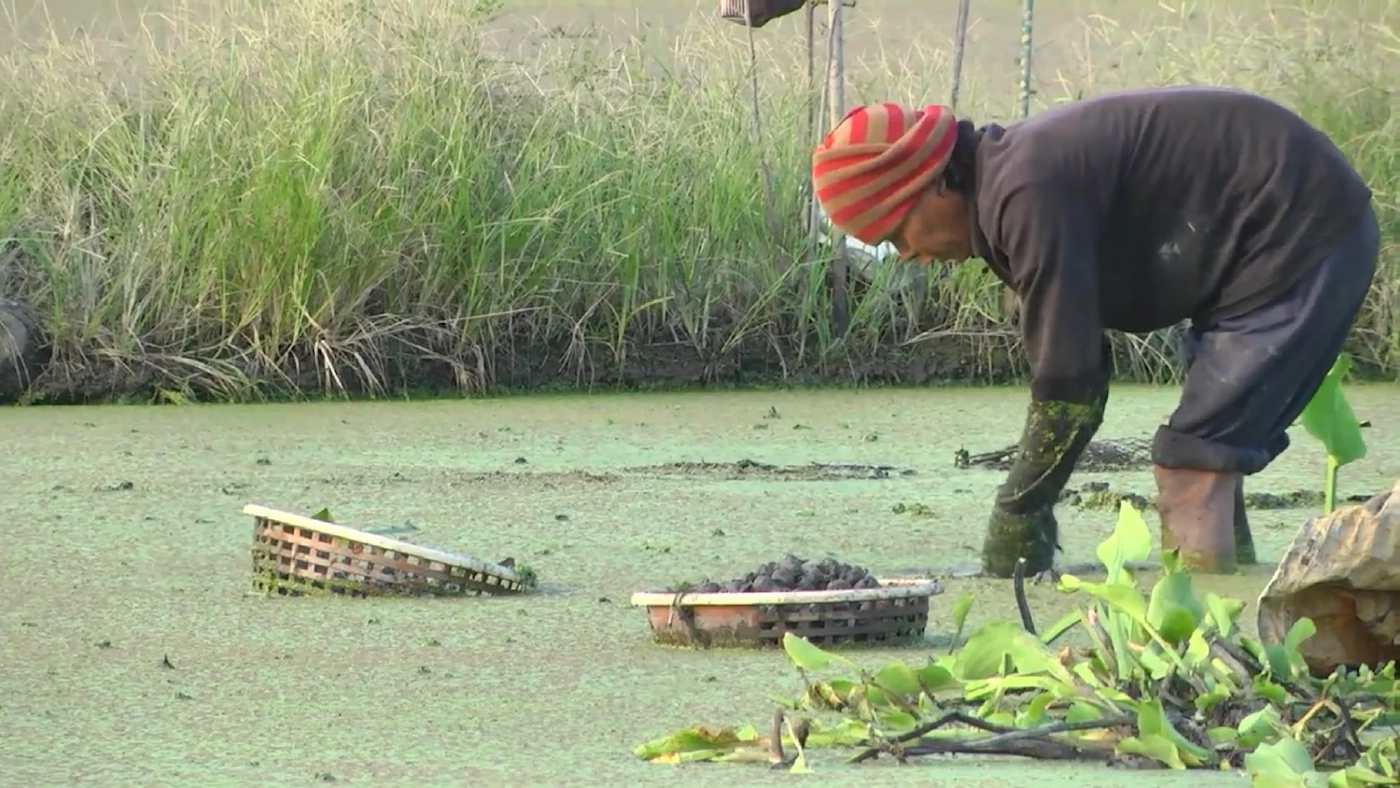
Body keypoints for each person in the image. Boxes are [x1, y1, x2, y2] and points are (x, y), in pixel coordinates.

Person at [810, 87, 1379, 578]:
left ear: (934, 184)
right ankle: (1231, 599)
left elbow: (1072, 381)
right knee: (1210, 457)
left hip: (1301, 228)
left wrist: (1018, 512)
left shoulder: (1023, 191)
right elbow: (1074, 360)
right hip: (1272, 238)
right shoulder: (1010, 187)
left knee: (1190, 466)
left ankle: (1204, 647)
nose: (908, 255)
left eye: (895, 234)